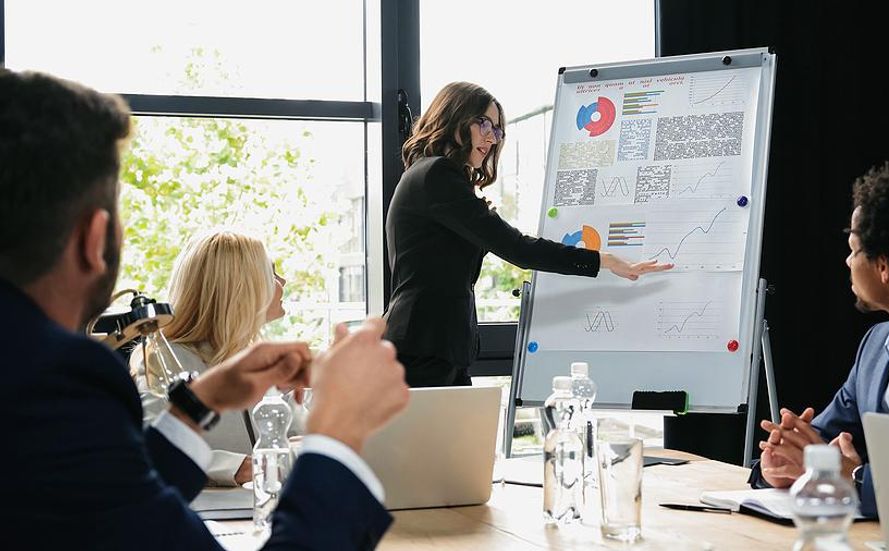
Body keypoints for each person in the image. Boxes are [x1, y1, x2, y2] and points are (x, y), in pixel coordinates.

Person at [0, 69, 409, 549]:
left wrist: (200, 403)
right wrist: (339, 433)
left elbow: (109, 504)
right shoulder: (55, 383)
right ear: (94, 240)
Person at [385, 81, 674, 387]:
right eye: (483, 123)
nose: (491, 138)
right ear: (453, 117)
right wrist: (605, 260)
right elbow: (518, 248)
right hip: (425, 345)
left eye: (497, 130)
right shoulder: (436, 175)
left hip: (437, 347)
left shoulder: (429, 175)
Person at [750, 161, 889, 517]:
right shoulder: (875, 346)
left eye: (853, 249)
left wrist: (855, 479)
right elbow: (819, 442)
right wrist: (778, 463)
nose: (847, 261)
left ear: (884, 267)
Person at [131, 230, 295, 487]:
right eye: (271, 273)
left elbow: (298, 434)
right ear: (241, 287)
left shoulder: (258, 357)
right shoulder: (164, 358)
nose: (282, 281)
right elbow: (151, 447)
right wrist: (233, 466)